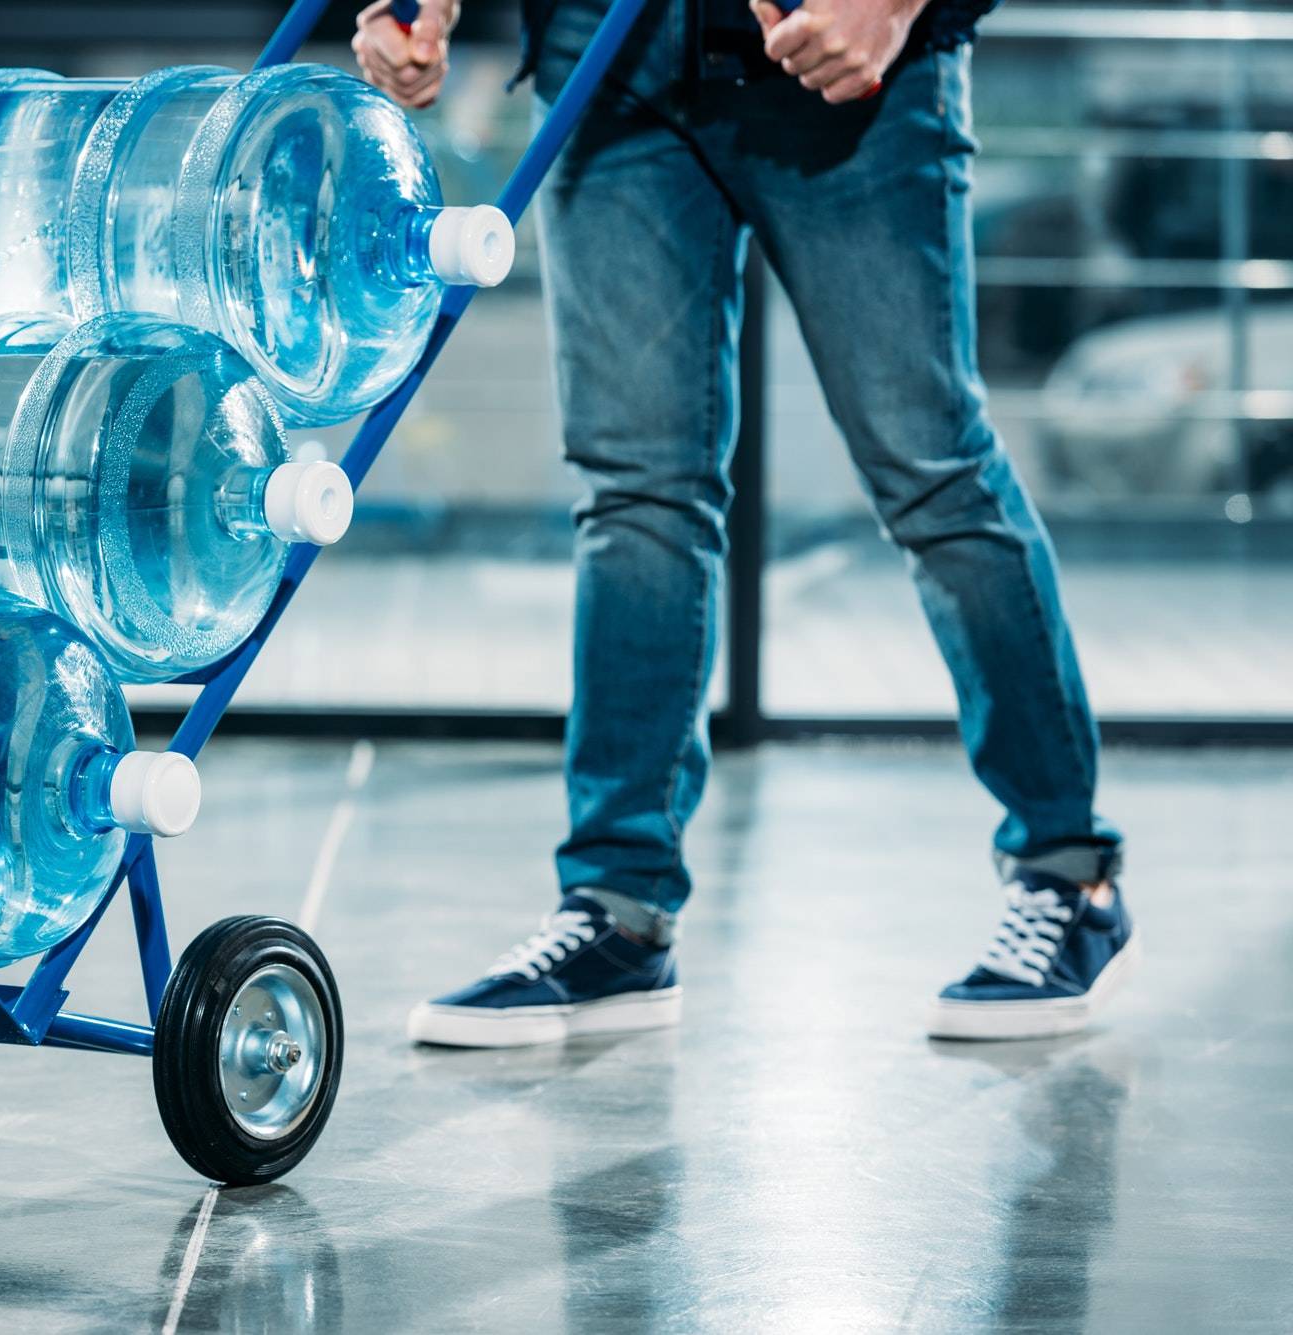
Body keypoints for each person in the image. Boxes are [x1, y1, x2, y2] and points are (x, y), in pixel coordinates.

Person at [353, 0, 1134, 1046]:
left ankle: (1066, 875)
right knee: (634, 495)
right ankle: (616, 913)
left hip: (832, 47)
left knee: (930, 473)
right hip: (605, 52)